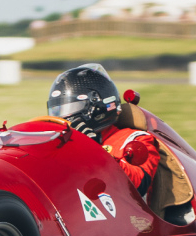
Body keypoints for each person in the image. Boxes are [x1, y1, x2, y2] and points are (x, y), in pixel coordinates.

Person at [47, 64, 160, 197]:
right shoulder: (61, 141)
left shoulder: (137, 139)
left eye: (73, 107)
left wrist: (93, 150)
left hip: (125, 213)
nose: (64, 117)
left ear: (98, 107)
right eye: (58, 110)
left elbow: (138, 187)